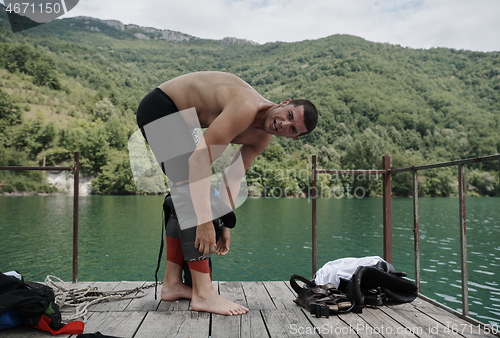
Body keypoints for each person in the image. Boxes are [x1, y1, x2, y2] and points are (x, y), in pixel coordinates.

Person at [135, 71, 318, 316]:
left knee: (192, 190)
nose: (284, 125)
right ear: (284, 103)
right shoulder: (245, 106)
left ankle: (172, 284)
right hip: (162, 106)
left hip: (184, 121)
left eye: (293, 129)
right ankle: (203, 294)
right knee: (190, 188)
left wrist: (224, 224)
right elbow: (200, 159)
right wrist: (204, 221)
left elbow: (232, 178)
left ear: (293, 137)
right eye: (289, 116)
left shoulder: (261, 139)